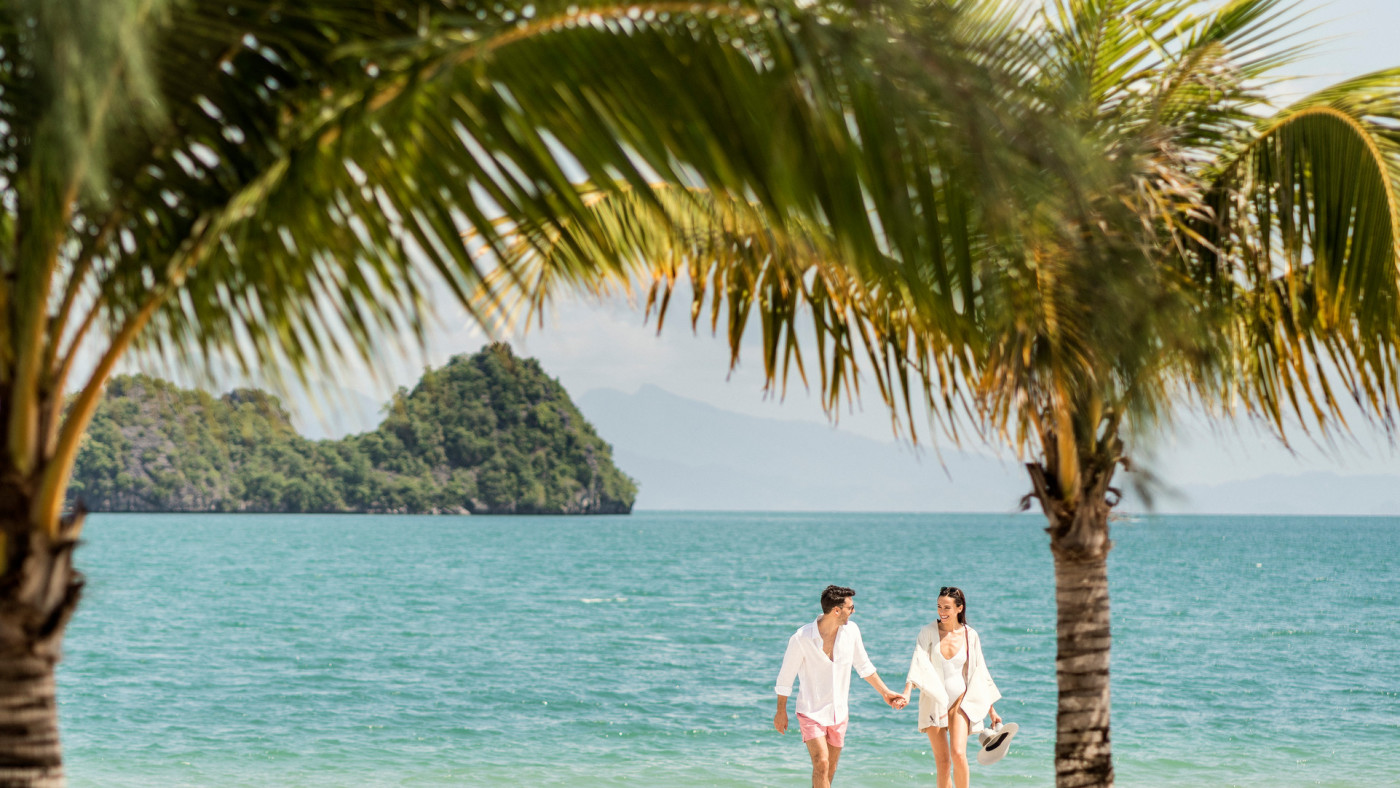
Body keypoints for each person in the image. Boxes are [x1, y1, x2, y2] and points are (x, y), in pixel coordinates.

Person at [774, 585, 903, 788]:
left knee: (830, 769)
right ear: (836, 610)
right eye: (850, 608)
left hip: (839, 713)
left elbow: (864, 666)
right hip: (811, 712)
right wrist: (781, 711)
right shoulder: (801, 638)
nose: (853, 611)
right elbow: (785, 678)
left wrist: (885, 692)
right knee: (821, 763)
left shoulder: (851, 631)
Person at [895, 586, 1002, 788]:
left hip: (960, 700)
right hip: (933, 700)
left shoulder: (970, 635)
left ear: (959, 608)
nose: (941, 612)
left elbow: (979, 674)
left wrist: (991, 710)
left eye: (947, 607)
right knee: (943, 763)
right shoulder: (927, 632)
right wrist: (907, 693)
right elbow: (917, 662)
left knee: (958, 754)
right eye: (939, 606)